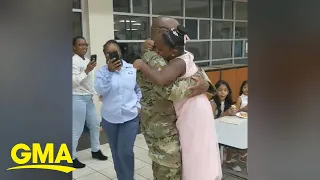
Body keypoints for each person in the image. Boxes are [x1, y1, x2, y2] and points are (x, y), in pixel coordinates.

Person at [133, 26, 222, 180]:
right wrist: (203, 84)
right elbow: (170, 89)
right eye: (166, 29)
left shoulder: (179, 56)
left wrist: (206, 84)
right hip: (163, 131)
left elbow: (200, 76)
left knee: (196, 153)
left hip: (188, 114)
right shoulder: (155, 57)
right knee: (177, 165)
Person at [94, 40, 141, 180]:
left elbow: (139, 90)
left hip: (130, 118)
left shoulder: (132, 69)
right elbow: (100, 90)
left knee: (125, 152)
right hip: (110, 119)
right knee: (115, 152)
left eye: (115, 52)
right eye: (109, 53)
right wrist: (109, 72)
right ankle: (122, 177)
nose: (113, 55)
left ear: (120, 52)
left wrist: (138, 106)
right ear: (105, 55)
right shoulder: (102, 72)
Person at [72, 36, 108, 168]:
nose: (84, 47)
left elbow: (91, 82)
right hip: (76, 98)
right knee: (77, 129)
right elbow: (72, 82)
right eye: (80, 45)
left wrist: (98, 94)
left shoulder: (88, 61)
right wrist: (86, 70)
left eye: (85, 44)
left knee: (94, 125)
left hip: (88, 98)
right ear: (74, 47)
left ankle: (95, 150)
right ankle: (71, 157)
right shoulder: (73, 61)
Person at [210, 80, 241, 172]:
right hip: (214, 130)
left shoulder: (228, 101)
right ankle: (217, 164)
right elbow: (212, 121)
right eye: (220, 90)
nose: (223, 92)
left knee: (234, 135)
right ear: (215, 91)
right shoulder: (212, 103)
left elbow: (230, 115)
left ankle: (228, 160)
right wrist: (226, 113)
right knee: (230, 138)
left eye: (225, 90)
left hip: (225, 127)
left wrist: (233, 112)